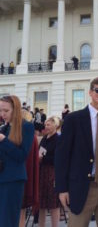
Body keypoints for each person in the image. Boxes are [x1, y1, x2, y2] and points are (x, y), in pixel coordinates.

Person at [55, 77, 98, 227]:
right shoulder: (73, 119)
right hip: (81, 188)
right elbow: (62, 156)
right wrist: (62, 189)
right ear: (90, 92)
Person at [0, 95, 34, 227]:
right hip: (3, 178)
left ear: (16, 109)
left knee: (7, 221)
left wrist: (4, 140)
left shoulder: (26, 127)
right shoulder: (4, 128)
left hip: (13, 180)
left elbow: (22, 156)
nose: (2, 114)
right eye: (0, 110)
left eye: (6, 111)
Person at [39, 116, 61, 227]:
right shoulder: (44, 138)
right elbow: (40, 151)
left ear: (55, 125)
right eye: (46, 124)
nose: (46, 126)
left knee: (54, 204)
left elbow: (58, 159)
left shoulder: (58, 139)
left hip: (52, 173)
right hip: (42, 173)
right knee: (41, 203)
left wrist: (43, 158)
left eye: (48, 124)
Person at [19, 109, 39, 227]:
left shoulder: (23, 133)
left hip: (18, 176)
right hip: (27, 176)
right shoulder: (32, 135)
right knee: (20, 211)